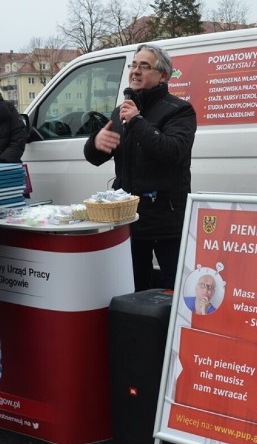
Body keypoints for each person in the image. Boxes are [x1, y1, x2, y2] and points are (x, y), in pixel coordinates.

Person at [83, 44, 196, 292]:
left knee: (176, 290)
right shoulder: (122, 110)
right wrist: (95, 144)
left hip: (165, 221)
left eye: (144, 66)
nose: (135, 71)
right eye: (133, 65)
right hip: (128, 221)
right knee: (133, 291)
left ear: (163, 75)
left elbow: (171, 151)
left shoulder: (180, 110)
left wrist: (136, 121)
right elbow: (95, 157)